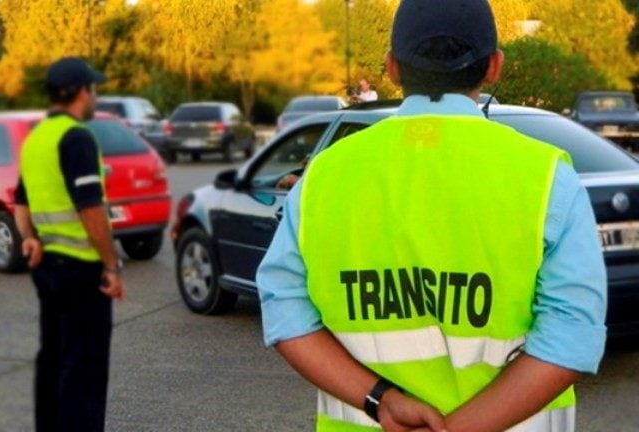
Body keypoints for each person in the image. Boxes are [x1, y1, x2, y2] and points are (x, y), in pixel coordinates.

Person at [256, 0, 607, 431]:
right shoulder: (548, 177)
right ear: (494, 67)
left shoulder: (324, 174)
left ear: (392, 68)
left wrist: (380, 400)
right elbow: (573, 337)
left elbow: (283, 309)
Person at [13, 57, 124, 432]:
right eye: (93, 89)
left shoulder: (35, 138)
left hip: (48, 270)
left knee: (54, 360)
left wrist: (29, 238)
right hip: (82, 272)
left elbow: (20, 199)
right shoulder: (77, 137)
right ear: (80, 92)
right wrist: (111, 265)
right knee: (85, 369)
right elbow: (90, 207)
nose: (95, 96)